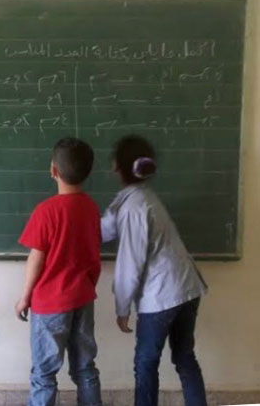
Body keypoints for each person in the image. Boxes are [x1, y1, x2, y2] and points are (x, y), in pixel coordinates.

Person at [102, 135, 207, 406]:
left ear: (120, 167)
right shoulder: (141, 197)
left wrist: (122, 308)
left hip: (162, 296)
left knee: (146, 363)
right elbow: (106, 227)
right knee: (184, 357)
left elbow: (130, 264)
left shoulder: (134, 207)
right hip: (187, 288)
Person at [15, 137, 102, 406]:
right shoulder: (91, 208)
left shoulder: (46, 212)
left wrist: (25, 296)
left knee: (44, 373)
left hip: (50, 302)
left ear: (53, 170)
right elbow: (93, 253)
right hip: (82, 299)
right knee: (85, 368)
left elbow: (36, 259)